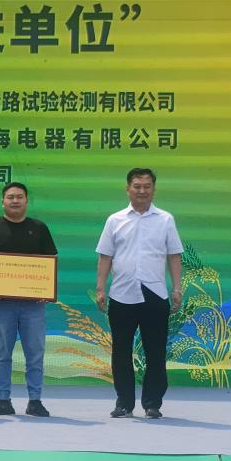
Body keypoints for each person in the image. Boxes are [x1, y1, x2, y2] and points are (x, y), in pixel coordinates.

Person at [95, 168, 184, 419]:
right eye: (137, 186)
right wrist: (101, 288)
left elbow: (174, 256)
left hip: (155, 294)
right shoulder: (115, 220)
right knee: (121, 351)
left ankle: (152, 403)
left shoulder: (165, 219)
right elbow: (105, 256)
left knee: (155, 351)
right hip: (122, 294)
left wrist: (177, 288)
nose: (142, 191)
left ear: (154, 189)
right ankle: (124, 402)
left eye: (146, 186)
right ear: (128, 189)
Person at [0, 182, 58, 418]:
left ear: (26, 201)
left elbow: (50, 261)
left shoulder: (39, 228)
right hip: (1, 302)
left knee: (35, 353)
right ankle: (3, 400)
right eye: (10, 197)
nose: (15, 201)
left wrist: (45, 289)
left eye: (19, 197)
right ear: (2, 201)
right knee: (2, 353)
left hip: (33, 304)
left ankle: (35, 401)